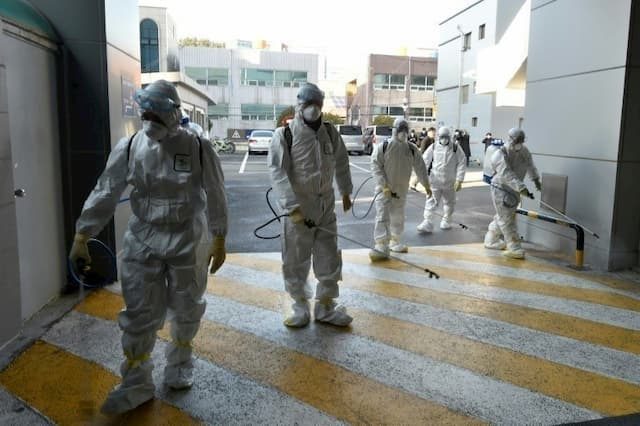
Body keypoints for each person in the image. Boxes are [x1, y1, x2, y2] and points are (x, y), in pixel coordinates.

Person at [68, 79, 228, 415]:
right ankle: (136, 382)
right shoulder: (130, 147)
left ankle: (180, 365)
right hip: (143, 237)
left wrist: (219, 237)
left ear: (174, 113)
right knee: (139, 310)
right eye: (146, 111)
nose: (150, 118)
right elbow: (106, 189)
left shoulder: (197, 145)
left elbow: (216, 191)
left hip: (187, 237)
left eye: (157, 112)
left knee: (187, 305)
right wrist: (82, 234)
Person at [268, 82, 354, 328]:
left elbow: (341, 162)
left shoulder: (329, 132)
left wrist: (345, 191)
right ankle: (298, 305)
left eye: (317, 105)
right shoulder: (285, 134)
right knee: (295, 258)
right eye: (308, 105)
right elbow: (277, 172)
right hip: (299, 209)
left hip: (325, 206)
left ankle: (325, 306)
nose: (313, 110)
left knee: (328, 256)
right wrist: (291, 206)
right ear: (299, 106)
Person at [369, 118, 431, 260]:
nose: (403, 133)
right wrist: (383, 185)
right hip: (384, 190)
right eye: (400, 130)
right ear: (395, 130)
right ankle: (381, 245)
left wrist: (426, 185)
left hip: (401, 190)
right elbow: (375, 165)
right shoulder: (384, 146)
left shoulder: (411, 149)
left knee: (398, 216)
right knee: (382, 216)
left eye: (405, 130)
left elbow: (420, 167)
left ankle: (395, 241)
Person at [484, 128, 541, 259]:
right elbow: (506, 174)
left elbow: (530, 165)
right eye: (517, 140)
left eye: (521, 140)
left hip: (514, 189)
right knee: (507, 219)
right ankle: (514, 247)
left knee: (505, 216)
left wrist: (536, 179)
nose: (519, 143)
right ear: (510, 139)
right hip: (501, 188)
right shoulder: (499, 154)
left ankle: (491, 240)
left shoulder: (524, 151)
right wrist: (522, 188)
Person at [417, 127, 466, 232]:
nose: (444, 139)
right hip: (435, 181)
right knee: (431, 202)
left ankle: (447, 220)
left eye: (446, 137)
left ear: (450, 137)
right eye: (442, 137)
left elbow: (462, 162)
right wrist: (420, 177)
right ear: (438, 137)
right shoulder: (434, 147)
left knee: (449, 203)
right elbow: (424, 161)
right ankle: (427, 222)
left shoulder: (455, 148)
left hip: (450, 182)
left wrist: (459, 180)